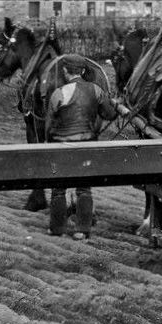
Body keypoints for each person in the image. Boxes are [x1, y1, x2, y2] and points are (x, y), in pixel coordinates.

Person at [45, 59, 118, 240]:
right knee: (84, 189)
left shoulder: (58, 93)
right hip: (86, 146)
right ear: (82, 71)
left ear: (65, 71)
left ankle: (57, 228)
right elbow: (109, 114)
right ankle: (82, 230)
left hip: (61, 147)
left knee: (58, 189)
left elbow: (48, 127)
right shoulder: (96, 90)